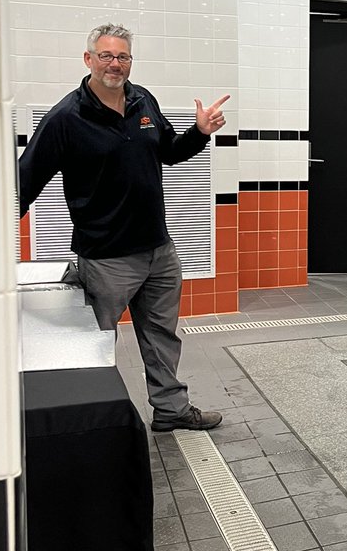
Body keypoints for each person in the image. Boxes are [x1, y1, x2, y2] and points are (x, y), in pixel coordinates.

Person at [19, 24, 230, 432]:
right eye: (106, 56)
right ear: (88, 60)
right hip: (105, 257)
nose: (115, 64)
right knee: (97, 344)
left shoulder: (142, 100)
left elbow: (169, 152)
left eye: (123, 57)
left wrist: (199, 133)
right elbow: (25, 180)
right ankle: (96, 421)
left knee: (162, 337)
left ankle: (170, 410)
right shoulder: (66, 117)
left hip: (158, 249)